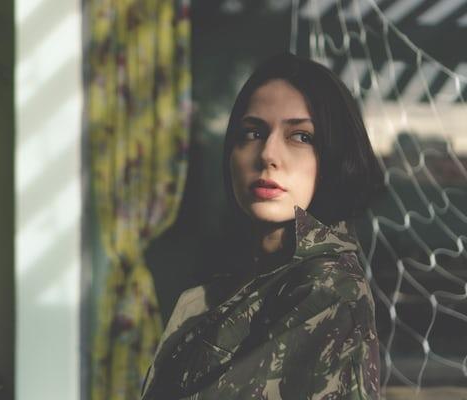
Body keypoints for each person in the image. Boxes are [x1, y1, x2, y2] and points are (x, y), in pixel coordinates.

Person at [140, 53, 385, 399]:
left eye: (301, 137)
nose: (268, 154)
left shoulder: (326, 286)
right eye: (253, 133)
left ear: (334, 156)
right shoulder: (241, 275)